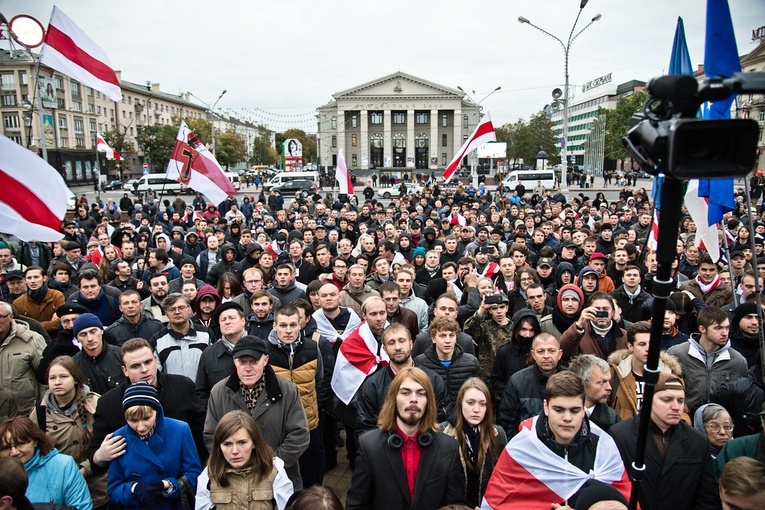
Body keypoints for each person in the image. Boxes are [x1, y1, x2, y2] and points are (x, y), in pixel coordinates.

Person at [482, 371, 632, 509]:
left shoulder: (603, 446)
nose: (567, 418)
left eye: (575, 410)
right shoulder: (521, 448)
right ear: (546, 407)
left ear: (583, 408)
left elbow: (623, 502)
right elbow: (498, 504)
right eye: (559, 410)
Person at [346, 367, 465, 510]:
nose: (413, 399)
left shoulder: (449, 448)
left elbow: (455, 505)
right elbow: (356, 504)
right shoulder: (369, 446)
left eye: (421, 393)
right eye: (405, 393)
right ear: (393, 398)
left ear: (429, 401)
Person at [204, 336, 310, 489]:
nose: (248, 368)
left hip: (278, 479)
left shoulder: (287, 390)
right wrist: (236, 462)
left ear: (265, 360)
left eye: (254, 361)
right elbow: (210, 436)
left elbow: (299, 434)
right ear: (234, 361)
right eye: (242, 362)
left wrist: (270, 463)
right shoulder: (219, 392)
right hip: (233, 480)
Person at [89, 338, 207, 473]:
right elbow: (96, 453)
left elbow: (201, 433)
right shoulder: (108, 403)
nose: (144, 370)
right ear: (124, 370)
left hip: (184, 475)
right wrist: (99, 457)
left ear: (155, 360)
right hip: (135, 482)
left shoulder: (182, 386)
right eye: (135, 366)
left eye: (148, 362)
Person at [609, 373, 720, 510]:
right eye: (667, 400)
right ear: (647, 399)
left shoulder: (696, 441)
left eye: (680, 401)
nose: (676, 407)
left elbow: (707, 497)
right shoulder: (620, 436)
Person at [107, 382, 202, 510]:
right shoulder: (118, 439)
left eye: (146, 418)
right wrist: (134, 489)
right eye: (133, 421)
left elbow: (194, 475)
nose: (140, 427)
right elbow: (113, 490)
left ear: (156, 411)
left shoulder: (180, 430)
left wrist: (167, 485)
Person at [30, 356, 108, 508]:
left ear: (76, 379)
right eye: (52, 378)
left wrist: (85, 469)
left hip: (97, 484)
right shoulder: (39, 412)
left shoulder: (96, 404)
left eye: (63, 376)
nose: (57, 382)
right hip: (59, 485)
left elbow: (107, 443)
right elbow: (37, 451)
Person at [265, 304, 328, 487]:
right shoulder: (265, 352)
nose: (288, 330)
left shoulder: (312, 348)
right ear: (274, 326)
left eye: (293, 325)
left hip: (309, 424)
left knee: (312, 472)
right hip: (278, 427)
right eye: (283, 325)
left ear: (300, 325)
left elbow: (319, 380)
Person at [196, 410, 294, 510]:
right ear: (219, 446)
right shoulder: (209, 475)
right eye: (227, 444)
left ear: (254, 443)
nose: (234, 451)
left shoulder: (274, 471)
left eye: (242, 443)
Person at [441, 377, 507, 508]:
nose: (476, 409)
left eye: (482, 404)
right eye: (470, 403)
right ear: (460, 403)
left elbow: (503, 477)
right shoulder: (443, 432)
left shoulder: (497, 434)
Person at [0, 416, 92, 510]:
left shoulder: (64, 465)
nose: (14, 452)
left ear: (35, 441)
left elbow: (82, 507)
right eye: (7, 447)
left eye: (20, 443)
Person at [668, 306, 748, 413]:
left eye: (727, 328)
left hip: (721, 422)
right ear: (702, 329)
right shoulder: (677, 354)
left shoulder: (737, 361)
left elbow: (741, 399)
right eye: (718, 328)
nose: (725, 333)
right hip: (684, 418)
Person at [608, 321, 686, 420]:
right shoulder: (616, 373)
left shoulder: (671, 374)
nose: (648, 348)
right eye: (642, 344)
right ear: (630, 346)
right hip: (625, 431)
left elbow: (683, 410)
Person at [497, 333, 566, 437]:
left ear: (560, 354)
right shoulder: (517, 382)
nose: (546, 356)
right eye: (541, 351)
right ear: (533, 355)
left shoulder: (571, 381)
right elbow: (506, 422)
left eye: (551, 351)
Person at [414, 316, 482, 401]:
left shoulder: (471, 362)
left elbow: (481, 392)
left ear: (456, 338)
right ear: (433, 339)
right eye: (443, 336)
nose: (448, 340)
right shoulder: (420, 363)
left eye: (451, 335)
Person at [150, 293, 213, 381]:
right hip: (172, 393)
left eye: (181, 308)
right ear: (166, 313)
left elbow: (213, 365)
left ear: (189, 309)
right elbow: (155, 372)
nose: (177, 312)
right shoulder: (158, 340)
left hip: (201, 392)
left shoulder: (206, 334)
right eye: (172, 309)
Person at [0, 301, 45, 415]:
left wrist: (44, 410)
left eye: (0, 316)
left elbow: (46, 378)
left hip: (26, 413)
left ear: (11, 317)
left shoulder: (31, 339)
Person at [560, 291, 628, 362]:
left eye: (605, 309)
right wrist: (579, 325)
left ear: (613, 312)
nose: (601, 313)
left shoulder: (624, 335)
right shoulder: (580, 335)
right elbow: (564, 353)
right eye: (597, 309)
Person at [568, 354, 621, 432]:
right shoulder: (558, 413)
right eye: (601, 382)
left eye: (608, 381)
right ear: (581, 383)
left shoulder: (613, 418)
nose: (609, 388)